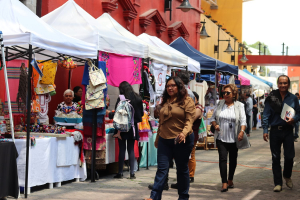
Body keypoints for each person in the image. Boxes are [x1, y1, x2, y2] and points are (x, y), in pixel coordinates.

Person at [145, 76, 195, 200]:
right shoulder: (165, 101)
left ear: (179, 87)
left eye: (173, 85)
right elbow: (161, 121)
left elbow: (189, 121)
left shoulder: (187, 101)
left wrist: (183, 133)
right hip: (164, 139)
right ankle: (154, 197)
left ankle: (183, 197)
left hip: (182, 140)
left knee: (182, 169)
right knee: (162, 169)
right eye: (168, 86)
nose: (170, 88)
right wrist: (157, 138)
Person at [263, 75, 300, 192]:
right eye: (280, 83)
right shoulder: (271, 98)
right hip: (274, 131)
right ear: (277, 84)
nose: (283, 85)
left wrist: (294, 119)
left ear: (288, 84)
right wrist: (265, 130)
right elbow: (266, 114)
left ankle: (287, 175)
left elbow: (299, 113)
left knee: (290, 157)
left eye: (285, 83)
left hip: (288, 131)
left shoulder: (293, 98)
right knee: (275, 158)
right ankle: (278, 183)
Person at [211, 84, 249, 192]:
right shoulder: (219, 103)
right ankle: (224, 182)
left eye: (228, 93)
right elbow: (213, 118)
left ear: (234, 94)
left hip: (234, 137)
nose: (225, 95)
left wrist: (242, 131)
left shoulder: (239, 105)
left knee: (233, 160)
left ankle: (230, 179)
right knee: (222, 159)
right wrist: (215, 125)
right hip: (221, 137)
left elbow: (243, 121)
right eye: (224, 93)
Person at [112, 81, 143, 179]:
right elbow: (141, 114)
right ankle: (132, 173)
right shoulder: (138, 98)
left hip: (121, 128)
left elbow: (117, 113)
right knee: (131, 149)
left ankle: (120, 172)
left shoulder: (121, 99)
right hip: (132, 127)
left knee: (122, 149)